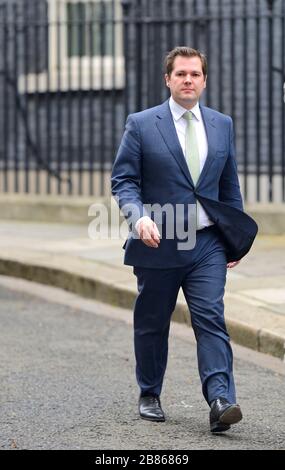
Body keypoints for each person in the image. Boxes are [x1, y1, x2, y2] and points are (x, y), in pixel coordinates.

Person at [111, 46, 257, 433]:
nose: (188, 80)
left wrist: (234, 237)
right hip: (159, 240)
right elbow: (124, 181)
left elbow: (229, 186)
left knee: (210, 317)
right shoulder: (142, 124)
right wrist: (138, 218)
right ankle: (149, 392)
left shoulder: (221, 124)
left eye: (195, 74)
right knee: (152, 321)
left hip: (208, 242)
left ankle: (221, 399)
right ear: (168, 80)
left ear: (204, 80)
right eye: (181, 74)